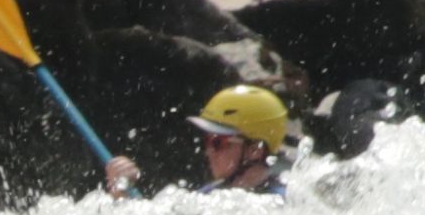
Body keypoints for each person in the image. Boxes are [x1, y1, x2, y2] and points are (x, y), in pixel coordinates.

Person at [99, 81, 303, 197]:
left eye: (219, 142)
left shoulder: (284, 205)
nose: (208, 151)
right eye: (207, 140)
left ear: (256, 149)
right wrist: (121, 193)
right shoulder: (208, 195)